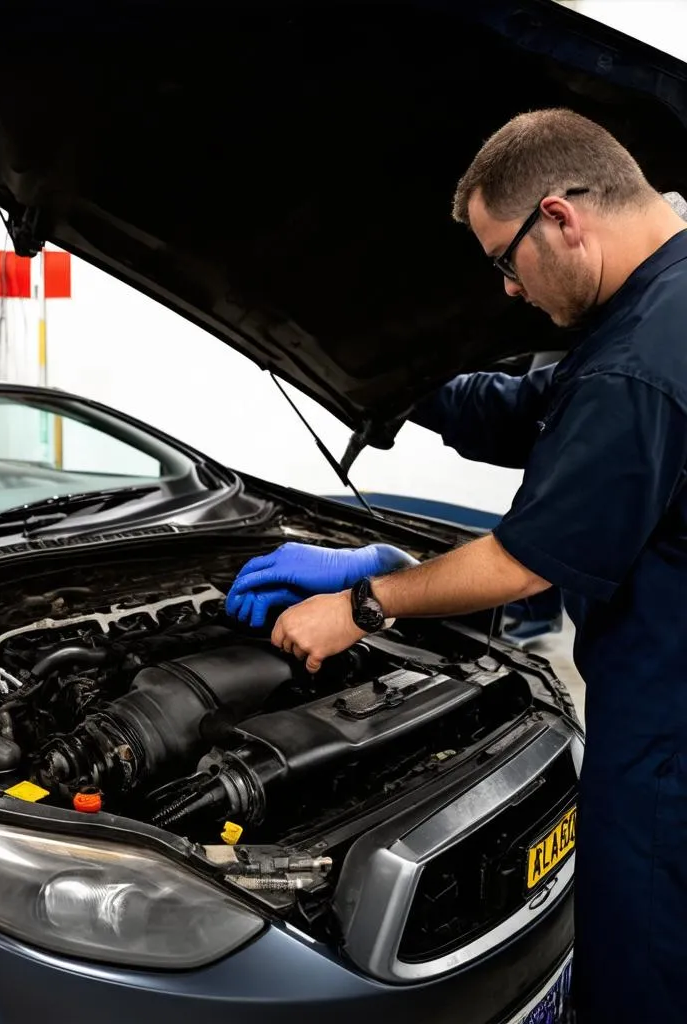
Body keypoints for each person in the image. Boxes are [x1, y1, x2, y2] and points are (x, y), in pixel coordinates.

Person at [225, 108, 687, 1023]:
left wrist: (364, 602)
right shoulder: (650, 302)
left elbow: (522, 565)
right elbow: (522, 409)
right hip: (657, 685)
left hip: (668, 724)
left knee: (643, 968)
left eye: (504, 261)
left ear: (560, 216)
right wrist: (391, 378)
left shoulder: (638, 362)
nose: (508, 290)